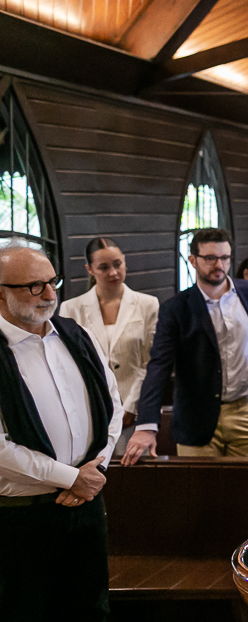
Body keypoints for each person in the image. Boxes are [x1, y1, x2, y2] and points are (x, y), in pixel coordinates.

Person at [0, 246, 123, 621]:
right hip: (22, 519)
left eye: (53, 282)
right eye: (34, 287)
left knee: (90, 610)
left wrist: (93, 471)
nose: (51, 295)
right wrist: (72, 478)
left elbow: (112, 406)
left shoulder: (74, 334)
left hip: (85, 509)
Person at [123, 229, 248, 463]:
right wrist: (146, 425)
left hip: (246, 410)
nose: (219, 264)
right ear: (193, 260)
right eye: (210, 258)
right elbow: (158, 367)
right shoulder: (175, 308)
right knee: (200, 494)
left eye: (225, 258)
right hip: (196, 416)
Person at [60, 238, 160, 453]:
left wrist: (131, 406)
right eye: (104, 267)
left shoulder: (147, 304)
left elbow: (149, 362)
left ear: (124, 262)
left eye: (117, 264)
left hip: (133, 408)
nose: (114, 272)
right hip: (90, 409)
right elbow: (70, 364)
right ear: (90, 269)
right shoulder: (71, 309)